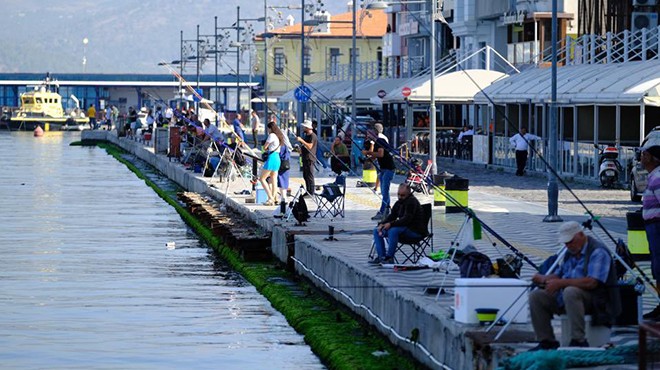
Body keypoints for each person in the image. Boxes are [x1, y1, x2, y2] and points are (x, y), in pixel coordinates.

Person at [528, 221, 619, 351]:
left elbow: (592, 282)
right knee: (536, 296)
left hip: (596, 300)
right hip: (567, 298)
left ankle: (578, 339)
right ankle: (546, 341)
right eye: (566, 243)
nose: (568, 245)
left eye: (571, 241)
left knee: (571, 291)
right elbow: (560, 275)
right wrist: (543, 279)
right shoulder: (569, 252)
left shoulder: (598, 251)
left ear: (581, 235)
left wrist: (561, 283)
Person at [369, 184, 426, 264]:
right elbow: (392, 216)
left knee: (393, 230)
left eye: (402, 195)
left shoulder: (411, 202)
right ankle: (381, 257)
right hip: (404, 228)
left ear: (408, 194)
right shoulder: (399, 203)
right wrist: (382, 224)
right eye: (398, 194)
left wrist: (390, 224)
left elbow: (406, 220)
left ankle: (389, 257)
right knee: (376, 230)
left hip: (414, 230)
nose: (400, 197)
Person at [641, 143, 660, 320]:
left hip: (657, 227)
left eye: (645, 154)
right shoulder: (653, 177)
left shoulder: (658, 178)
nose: (642, 157)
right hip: (652, 227)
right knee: (656, 266)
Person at [363, 127, 395, 221]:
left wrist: (368, 152)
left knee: (385, 192)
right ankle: (387, 211)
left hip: (389, 169)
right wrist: (367, 157)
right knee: (385, 192)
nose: (367, 136)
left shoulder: (380, 141)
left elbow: (380, 154)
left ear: (375, 133)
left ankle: (382, 212)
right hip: (383, 169)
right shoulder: (376, 143)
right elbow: (375, 156)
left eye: (369, 133)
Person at [259, 121, 283, 206]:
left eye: (268, 128)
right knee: (274, 179)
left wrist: (265, 148)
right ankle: (275, 198)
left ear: (270, 128)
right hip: (277, 158)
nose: (268, 130)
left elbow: (265, 147)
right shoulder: (278, 136)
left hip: (271, 158)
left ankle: (270, 198)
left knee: (262, 178)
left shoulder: (271, 135)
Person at [296, 119, 318, 196]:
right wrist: (300, 149)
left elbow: (310, 146)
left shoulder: (313, 136)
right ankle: (308, 190)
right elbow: (305, 146)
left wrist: (301, 140)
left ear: (308, 128)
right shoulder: (306, 136)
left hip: (310, 158)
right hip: (304, 157)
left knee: (310, 175)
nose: (303, 129)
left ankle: (311, 192)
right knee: (305, 175)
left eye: (305, 127)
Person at [276, 122, 294, 207]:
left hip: (281, 165)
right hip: (286, 165)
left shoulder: (281, 146)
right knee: (284, 181)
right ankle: (283, 198)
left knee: (281, 181)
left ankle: (283, 199)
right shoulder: (286, 146)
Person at [372, 123, 389, 192]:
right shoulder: (384, 137)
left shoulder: (379, 138)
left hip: (381, 158)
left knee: (380, 173)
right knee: (381, 173)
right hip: (383, 157)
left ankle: (379, 188)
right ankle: (378, 187)